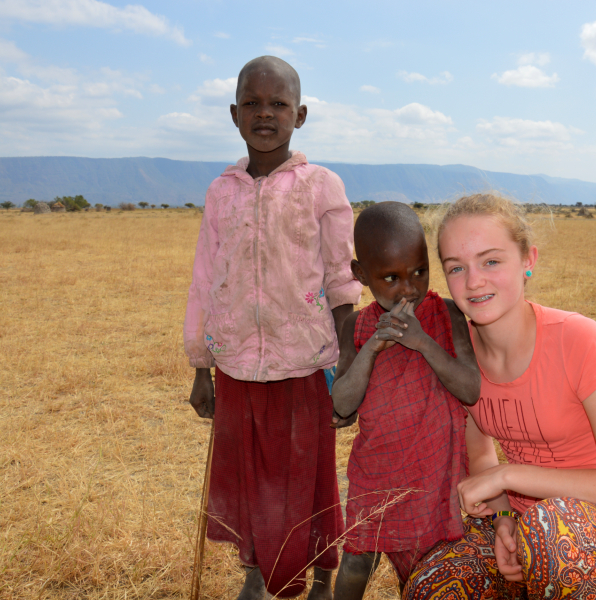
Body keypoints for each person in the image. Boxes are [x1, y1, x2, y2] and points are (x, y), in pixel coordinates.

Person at [404, 194, 596, 600]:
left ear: (527, 260)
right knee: (433, 584)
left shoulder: (578, 340)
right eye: (456, 268)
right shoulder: (459, 356)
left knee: (548, 532)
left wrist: (508, 475)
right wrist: (503, 517)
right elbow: (482, 457)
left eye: (491, 261)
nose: (474, 281)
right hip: (522, 521)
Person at [183, 56, 361, 600]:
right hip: (237, 365)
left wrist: (349, 362)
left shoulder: (321, 185)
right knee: (252, 479)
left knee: (307, 478)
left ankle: (324, 578)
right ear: (234, 115)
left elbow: (342, 278)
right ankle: (258, 574)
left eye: (278, 104)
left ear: (300, 115)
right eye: (253, 104)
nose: (266, 114)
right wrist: (200, 366)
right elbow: (205, 278)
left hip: (304, 363)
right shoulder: (222, 192)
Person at [329, 202, 481, 599]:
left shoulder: (447, 315)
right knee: (357, 559)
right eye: (391, 277)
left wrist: (422, 342)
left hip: (431, 473)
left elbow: (470, 389)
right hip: (375, 470)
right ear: (361, 275)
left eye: (419, 271)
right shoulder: (357, 326)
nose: (409, 288)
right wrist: (373, 347)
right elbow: (342, 403)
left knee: (425, 567)